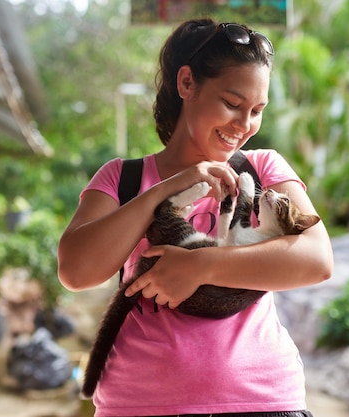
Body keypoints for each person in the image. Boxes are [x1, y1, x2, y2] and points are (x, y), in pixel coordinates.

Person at [58, 18, 334, 417]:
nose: (244, 125)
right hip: (140, 403)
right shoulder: (124, 178)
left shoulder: (263, 168)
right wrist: (164, 190)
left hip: (261, 400)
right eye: (232, 104)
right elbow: (76, 271)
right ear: (187, 84)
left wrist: (198, 266)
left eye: (257, 110)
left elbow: (316, 260)